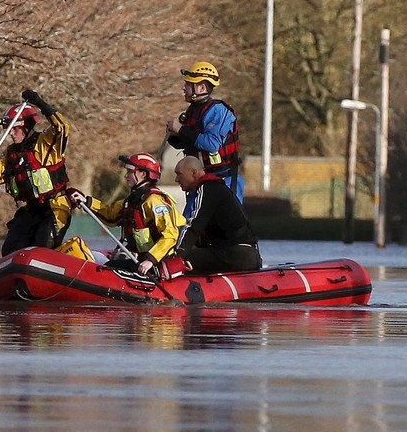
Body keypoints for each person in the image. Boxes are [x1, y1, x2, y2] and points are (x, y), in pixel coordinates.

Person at [0, 88, 72, 255]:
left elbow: (63, 127)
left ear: (26, 127)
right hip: (31, 210)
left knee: (44, 247)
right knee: (9, 250)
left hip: (55, 207)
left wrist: (41, 103)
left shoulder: (46, 143)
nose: (10, 134)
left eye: (14, 129)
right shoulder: (11, 153)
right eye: (8, 130)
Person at [66, 152, 182, 279]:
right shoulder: (131, 200)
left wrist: (150, 260)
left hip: (155, 262)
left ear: (143, 174)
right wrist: (86, 202)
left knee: (109, 267)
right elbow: (110, 216)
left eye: (130, 172)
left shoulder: (154, 201)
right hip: (139, 258)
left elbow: (171, 235)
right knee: (101, 261)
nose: (126, 176)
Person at [164, 60, 241, 218]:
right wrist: (175, 136)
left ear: (202, 88)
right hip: (199, 180)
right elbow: (191, 142)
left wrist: (181, 129)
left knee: (226, 224)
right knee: (190, 224)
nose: (184, 88)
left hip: (223, 179)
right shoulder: (193, 111)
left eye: (188, 84)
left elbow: (212, 144)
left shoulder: (218, 111)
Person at [170, 155, 262, 275]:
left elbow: (194, 226)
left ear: (194, 172)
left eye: (179, 174)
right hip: (249, 255)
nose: (176, 179)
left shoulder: (207, 188)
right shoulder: (218, 188)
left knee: (185, 259)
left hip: (235, 255)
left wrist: (178, 254)